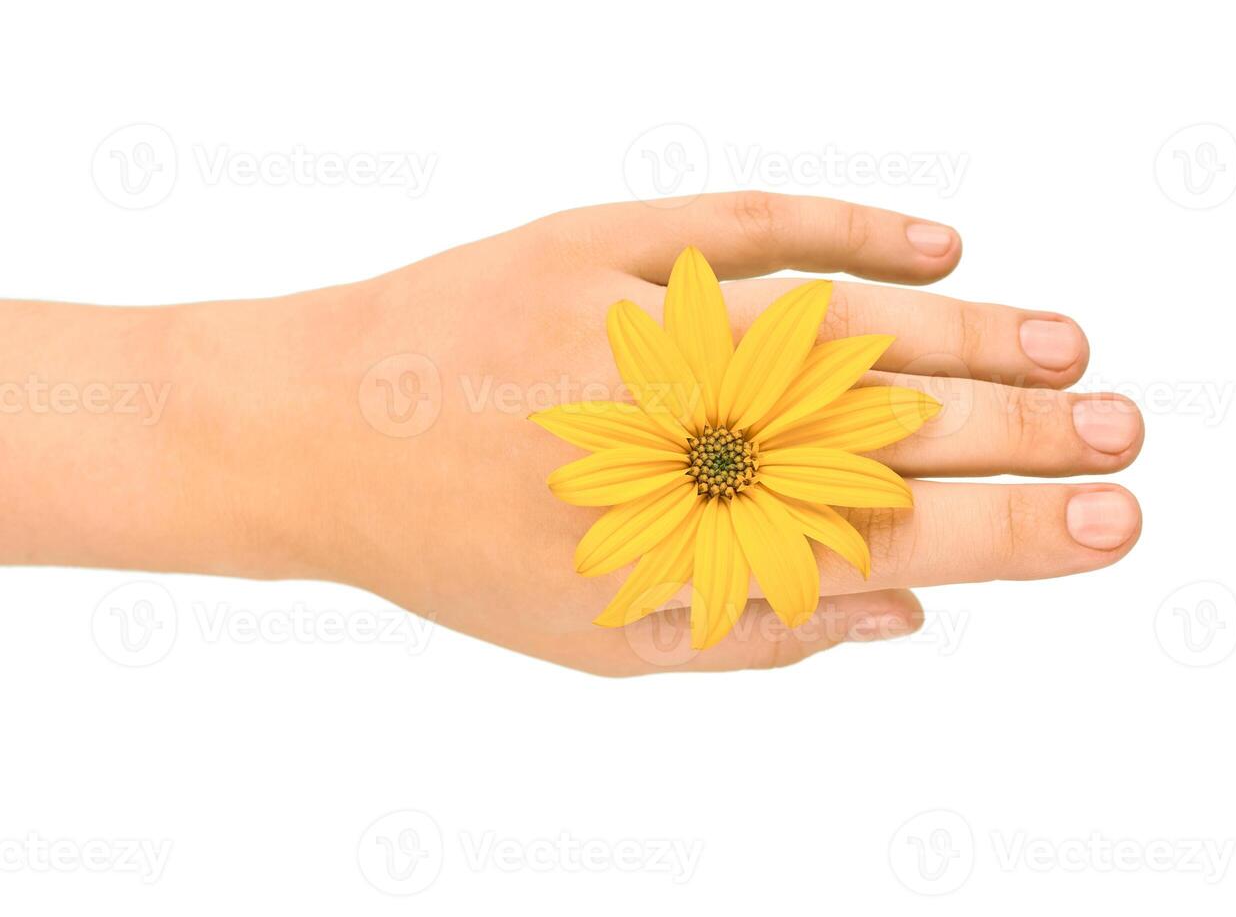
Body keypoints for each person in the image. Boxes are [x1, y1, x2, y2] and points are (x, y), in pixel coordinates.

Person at [0, 192, 1143, 675]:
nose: (724, 460)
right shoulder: (710, 461)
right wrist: (307, 444)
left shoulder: (719, 453)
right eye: (721, 457)